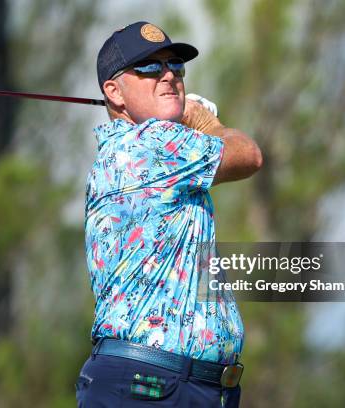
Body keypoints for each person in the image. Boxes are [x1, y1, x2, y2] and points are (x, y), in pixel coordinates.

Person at [77, 21, 262, 407]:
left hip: (180, 386)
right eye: (147, 68)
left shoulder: (139, 148)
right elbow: (248, 156)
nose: (168, 76)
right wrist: (204, 122)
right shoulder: (151, 142)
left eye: (175, 65)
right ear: (114, 91)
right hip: (151, 386)